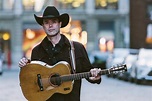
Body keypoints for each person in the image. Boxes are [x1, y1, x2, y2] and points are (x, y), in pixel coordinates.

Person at [19, 6, 102, 101]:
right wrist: (26, 66)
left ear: (60, 24)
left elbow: (89, 73)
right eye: (46, 22)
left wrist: (95, 76)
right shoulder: (37, 51)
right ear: (43, 25)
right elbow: (33, 80)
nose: (50, 26)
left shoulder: (77, 48)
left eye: (54, 22)